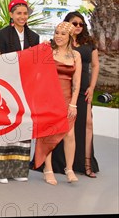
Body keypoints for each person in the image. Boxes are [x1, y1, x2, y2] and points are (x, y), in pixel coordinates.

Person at [0, 0, 39, 184]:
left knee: (23, 127)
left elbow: (36, 64)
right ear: (11, 15)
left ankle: (17, 169)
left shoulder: (35, 37)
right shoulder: (2, 35)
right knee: (4, 126)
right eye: (18, 13)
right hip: (6, 90)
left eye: (25, 13)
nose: (22, 16)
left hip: (26, 89)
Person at [46, 12, 99, 177]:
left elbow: (95, 66)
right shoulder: (53, 46)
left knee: (83, 125)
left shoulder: (87, 44)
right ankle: (53, 166)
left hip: (80, 90)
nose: (77, 26)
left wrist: (91, 87)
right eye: (74, 23)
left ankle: (82, 165)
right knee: (53, 130)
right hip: (57, 91)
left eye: (80, 24)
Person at [35, 21, 81, 185]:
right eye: (56, 32)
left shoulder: (76, 56)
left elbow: (77, 81)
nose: (58, 36)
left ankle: (69, 169)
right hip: (48, 98)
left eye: (63, 33)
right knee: (48, 134)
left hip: (68, 99)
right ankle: (48, 169)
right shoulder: (48, 51)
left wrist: (73, 103)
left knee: (69, 134)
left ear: (70, 36)